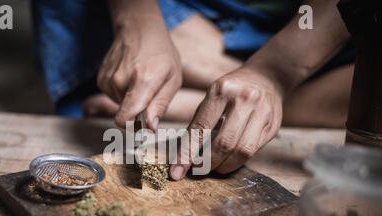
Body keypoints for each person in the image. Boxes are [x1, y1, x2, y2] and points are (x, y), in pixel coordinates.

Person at [33, 0, 354, 180]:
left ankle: (207, 97)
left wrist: (271, 72)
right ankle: (236, 95)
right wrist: (136, 20)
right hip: (183, 10)